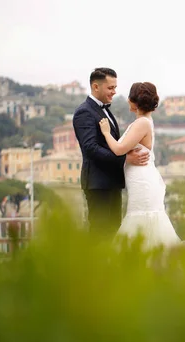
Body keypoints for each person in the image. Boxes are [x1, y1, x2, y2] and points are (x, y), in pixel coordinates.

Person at [99, 81, 185, 249]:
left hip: (143, 183)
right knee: (141, 220)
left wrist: (106, 133)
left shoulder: (142, 123)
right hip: (140, 180)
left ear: (134, 100)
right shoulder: (143, 122)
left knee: (141, 219)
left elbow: (118, 149)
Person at [73, 67, 150, 236]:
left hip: (112, 183)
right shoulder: (84, 112)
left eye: (115, 87)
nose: (114, 92)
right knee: (100, 233)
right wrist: (125, 160)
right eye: (110, 88)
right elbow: (90, 148)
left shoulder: (105, 110)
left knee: (114, 232)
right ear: (95, 87)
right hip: (98, 184)